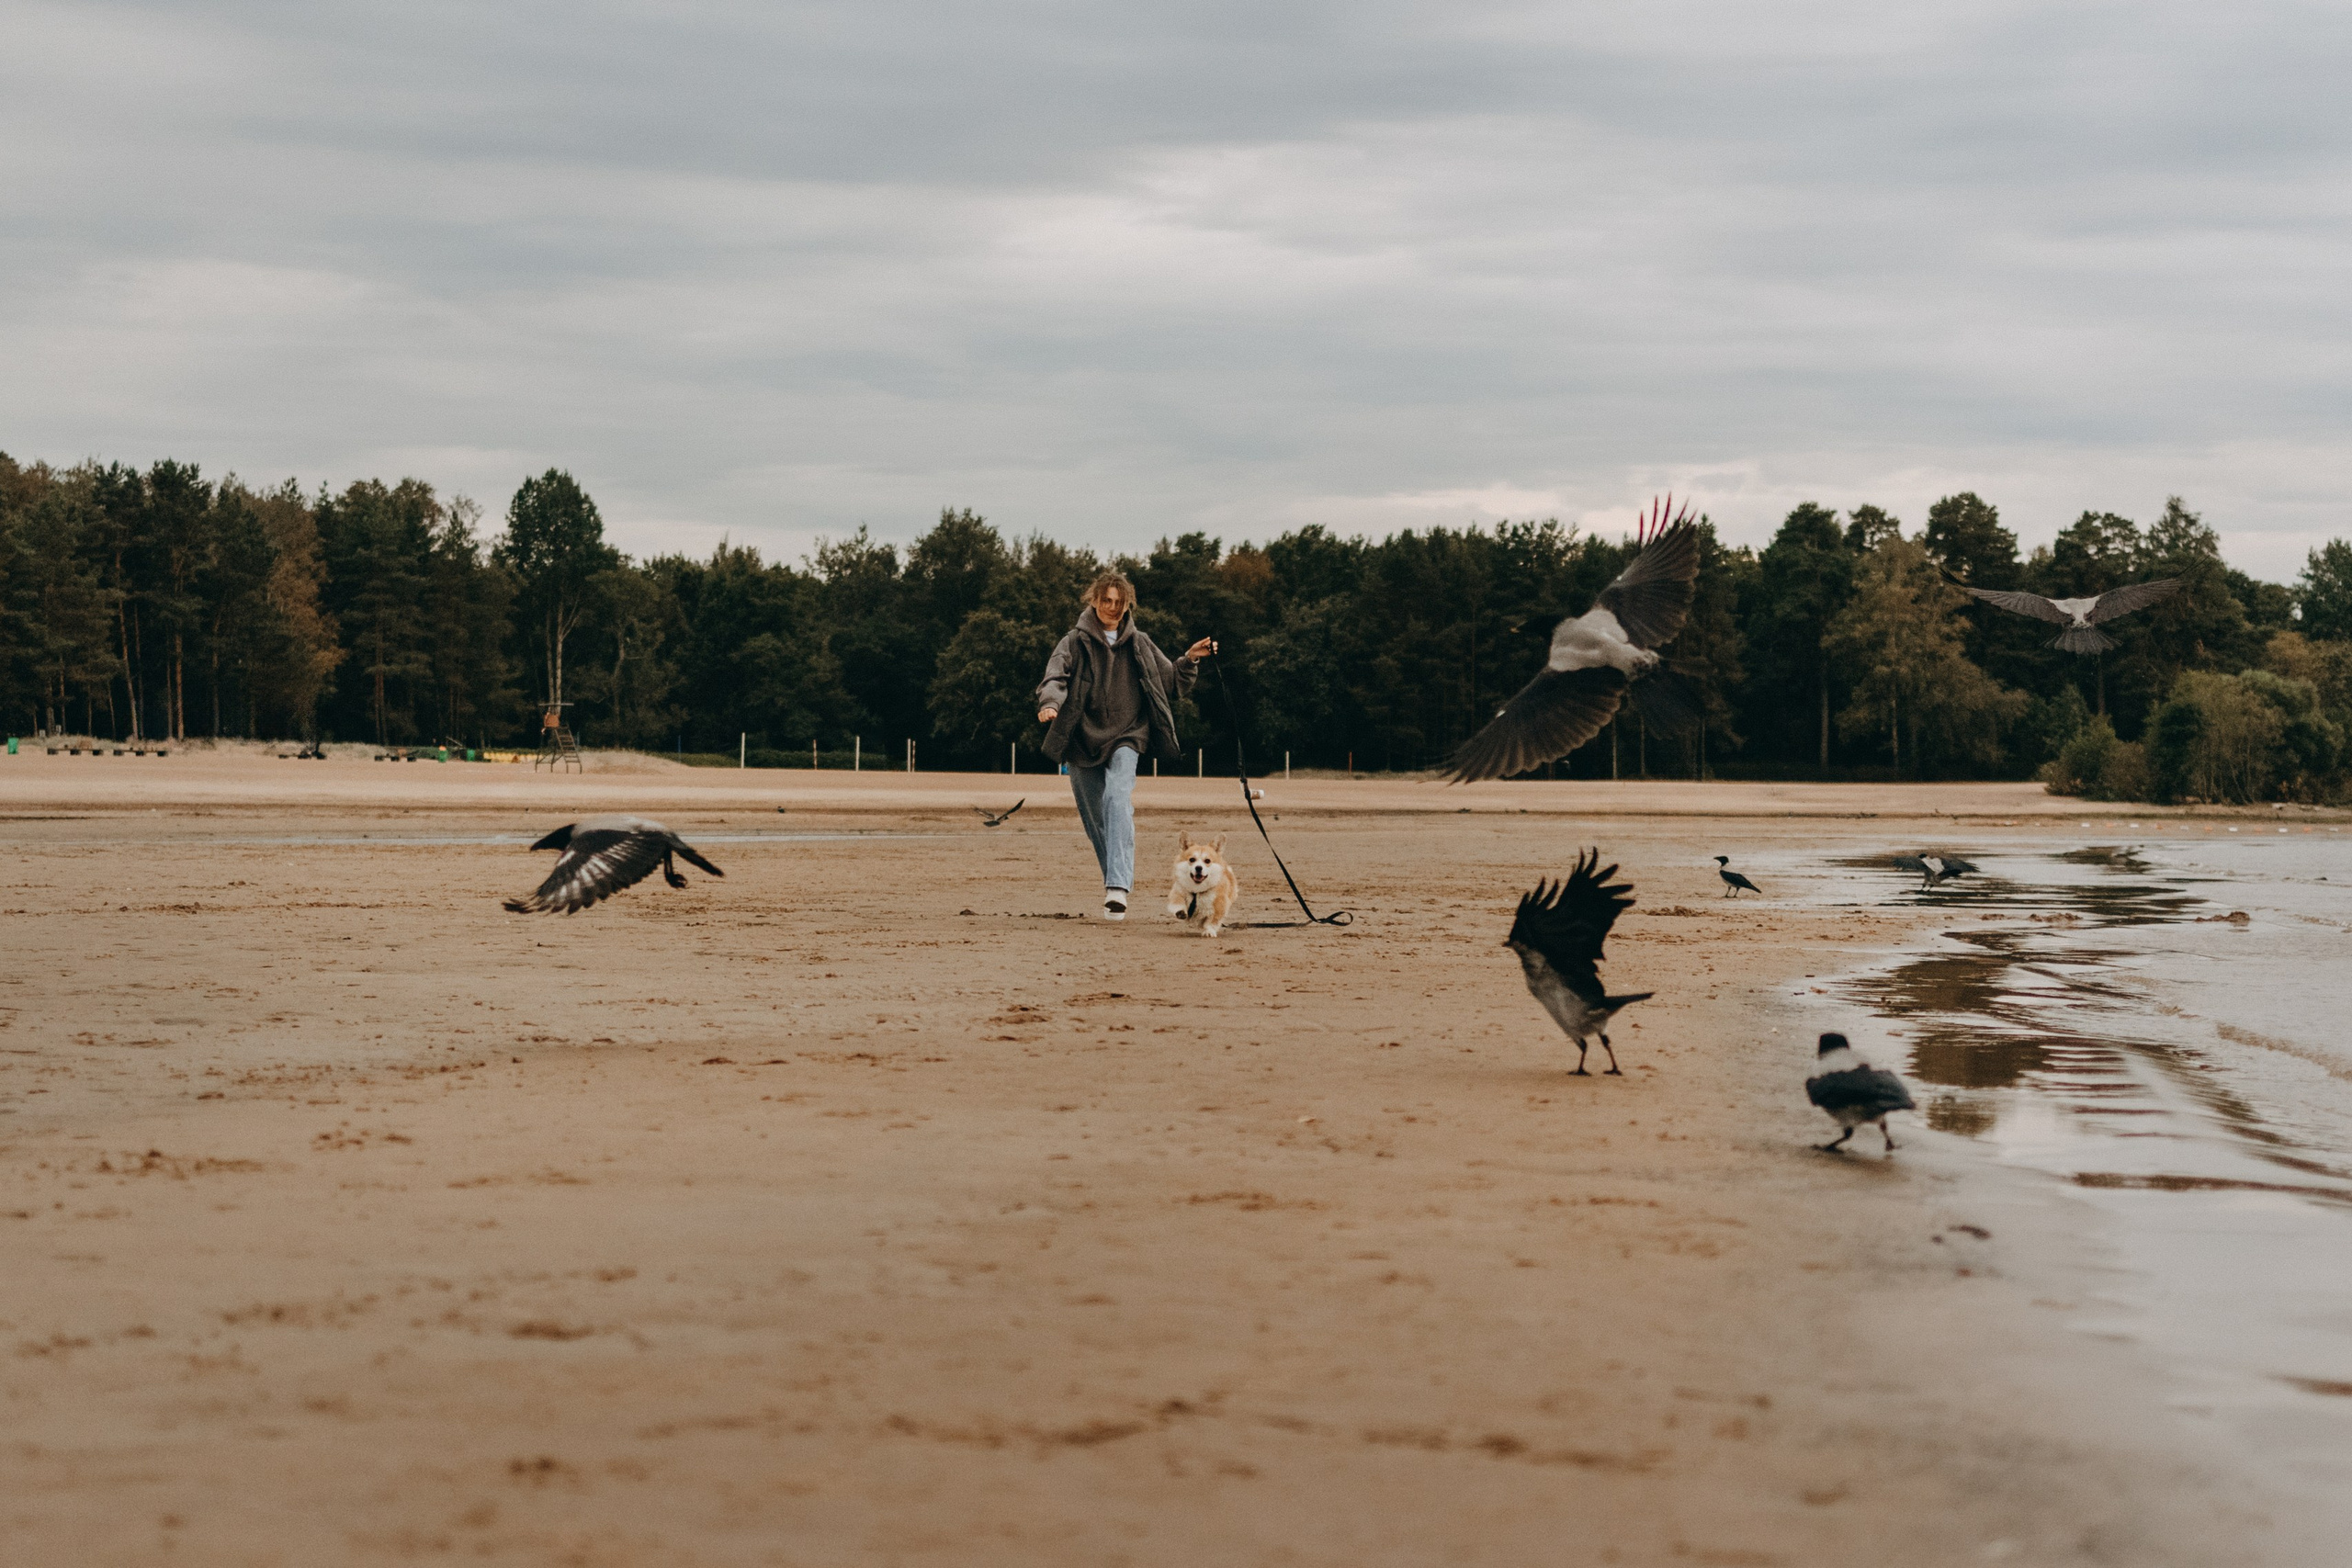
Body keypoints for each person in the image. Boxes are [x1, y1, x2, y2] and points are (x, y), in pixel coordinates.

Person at [1035, 571, 1216, 919]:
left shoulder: (1140, 643)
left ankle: (1118, 887)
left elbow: (1172, 681)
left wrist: (1191, 658)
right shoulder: (1073, 641)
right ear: (1094, 601)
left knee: (1118, 797)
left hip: (1128, 735)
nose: (1113, 608)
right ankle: (1114, 882)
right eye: (1107, 601)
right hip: (1081, 739)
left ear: (1127, 603)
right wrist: (1050, 703)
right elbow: (1054, 676)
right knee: (1096, 821)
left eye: (1120, 602)